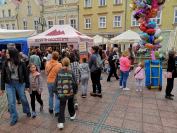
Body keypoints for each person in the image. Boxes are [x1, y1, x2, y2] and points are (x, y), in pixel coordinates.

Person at [0, 48, 31, 126]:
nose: (6, 54)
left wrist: (27, 85)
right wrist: (2, 88)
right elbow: (2, 75)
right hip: (9, 84)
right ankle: (14, 117)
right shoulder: (5, 63)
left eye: (7, 53)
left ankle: (27, 110)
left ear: (12, 54)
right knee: (11, 102)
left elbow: (26, 75)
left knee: (23, 98)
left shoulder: (21, 63)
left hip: (20, 83)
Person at [54, 57, 77, 129]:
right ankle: (72, 116)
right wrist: (75, 91)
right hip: (70, 92)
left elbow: (56, 82)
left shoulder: (59, 72)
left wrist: (56, 91)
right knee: (70, 104)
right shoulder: (71, 72)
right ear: (69, 63)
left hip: (61, 93)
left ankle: (61, 122)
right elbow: (74, 83)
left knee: (62, 106)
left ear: (62, 63)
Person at [45, 52, 62, 116]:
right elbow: (60, 74)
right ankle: (57, 111)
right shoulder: (59, 64)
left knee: (50, 95)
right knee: (57, 97)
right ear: (58, 57)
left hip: (49, 81)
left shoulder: (47, 63)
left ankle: (51, 109)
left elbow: (46, 74)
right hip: (56, 82)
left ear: (52, 56)